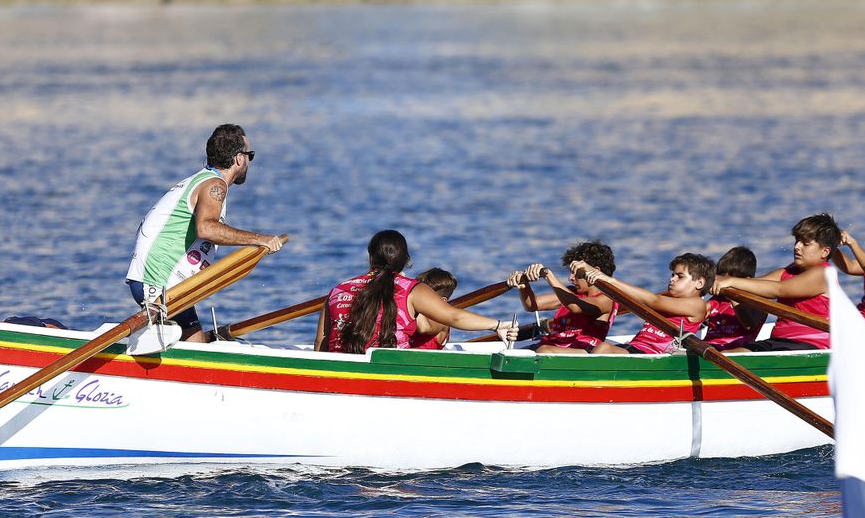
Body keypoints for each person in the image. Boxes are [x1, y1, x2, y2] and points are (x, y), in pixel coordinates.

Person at [125, 124, 284, 342]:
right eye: (250, 156)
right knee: (194, 349)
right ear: (239, 158)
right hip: (159, 283)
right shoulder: (214, 185)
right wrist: (260, 240)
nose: (249, 162)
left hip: (165, 283)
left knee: (197, 342)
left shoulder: (202, 179)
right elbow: (206, 228)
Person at [318, 231, 516, 354]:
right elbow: (454, 317)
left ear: (370, 258)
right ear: (406, 259)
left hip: (341, 368)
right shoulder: (411, 289)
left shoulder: (337, 290)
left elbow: (321, 342)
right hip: (390, 370)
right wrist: (496, 325)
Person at [713, 214, 840, 352]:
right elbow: (754, 284)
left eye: (805, 243)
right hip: (778, 342)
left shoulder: (822, 275)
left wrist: (731, 281)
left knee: (731, 358)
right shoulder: (788, 271)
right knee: (727, 354)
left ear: (824, 251)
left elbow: (779, 290)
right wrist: (714, 280)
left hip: (809, 345)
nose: (797, 247)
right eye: (797, 241)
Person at [572, 253, 713, 355]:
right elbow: (630, 300)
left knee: (603, 349)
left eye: (679, 276)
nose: (672, 279)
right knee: (567, 350)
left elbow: (653, 301)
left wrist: (608, 279)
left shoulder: (697, 305)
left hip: (653, 354)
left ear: (699, 283)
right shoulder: (666, 297)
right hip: (634, 348)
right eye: (672, 275)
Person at [509, 241, 618, 355]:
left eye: (575, 273)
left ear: (595, 271)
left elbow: (575, 306)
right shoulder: (571, 293)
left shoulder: (607, 299)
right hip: (553, 346)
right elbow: (532, 305)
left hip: (585, 351)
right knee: (517, 352)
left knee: (544, 351)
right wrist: (523, 286)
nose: (570, 278)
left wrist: (548, 275)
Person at [700, 246, 766, 350]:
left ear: (746, 281)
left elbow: (749, 325)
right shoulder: (716, 300)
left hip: (738, 351)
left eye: (728, 281)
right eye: (721, 278)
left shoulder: (756, 301)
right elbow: (699, 313)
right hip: (709, 349)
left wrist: (734, 297)